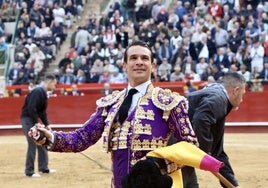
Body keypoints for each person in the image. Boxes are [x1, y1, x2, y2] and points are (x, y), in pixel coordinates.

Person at [29, 40, 198, 188]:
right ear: (124, 65)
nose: (139, 62)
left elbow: (190, 145)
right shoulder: (110, 103)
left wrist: (159, 165)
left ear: (152, 66)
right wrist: (50, 137)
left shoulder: (169, 101)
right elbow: (82, 138)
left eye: (145, 58)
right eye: (133, 58)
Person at [182, 72, 246, 188]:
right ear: (236, 90)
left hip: (180, 150)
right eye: (242, 94)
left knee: (191, 184)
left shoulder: (216, 97)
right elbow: (201, 119)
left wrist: (233, 184)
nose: (241, 100)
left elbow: (217, 152)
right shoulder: (219, 98)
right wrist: (204, 152)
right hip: (172, 147)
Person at [21, 75, 57, 177]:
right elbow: (31, 108)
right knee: (33, 143)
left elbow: (42, 112)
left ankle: (43, 168)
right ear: (49, 82)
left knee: (43, 141)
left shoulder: (42, 92)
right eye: (54, 83)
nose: (55, 86)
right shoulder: (38, 91)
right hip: (28, 120)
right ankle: (29, 171)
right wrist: (36, 122)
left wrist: (47, 125)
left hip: (31, 119)